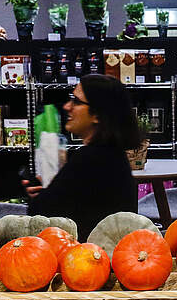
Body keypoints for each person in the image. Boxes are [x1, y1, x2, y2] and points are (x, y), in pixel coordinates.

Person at [22, 74, 139, 238]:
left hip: (85, 257)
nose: (67, 106)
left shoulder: (89, 158)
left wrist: (41, 198)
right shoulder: (112, 155)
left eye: (76, 101)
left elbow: (39, 217)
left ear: (97, 114)